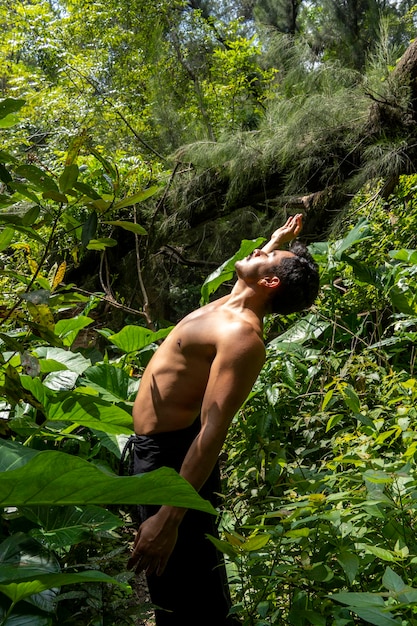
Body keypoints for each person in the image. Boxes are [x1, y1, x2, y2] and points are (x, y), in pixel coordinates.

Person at [126, 214, 319, 625]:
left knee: (188, 595)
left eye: (266, 255)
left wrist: (170, 513)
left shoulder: (242, 336)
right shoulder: (231, 303)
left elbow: (213, 430)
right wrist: (278, 240)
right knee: (167, 588)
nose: (258, 251)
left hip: (176, 461)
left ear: (269, 283)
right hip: (152, 453)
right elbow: (257, 273)